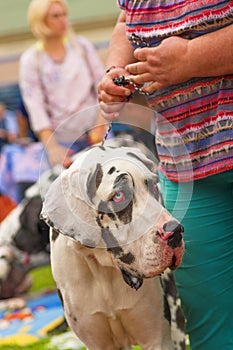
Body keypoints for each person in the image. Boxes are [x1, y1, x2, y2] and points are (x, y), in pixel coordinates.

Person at [98, 2, 233, 350]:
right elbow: (127, 19)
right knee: (210, 327)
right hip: (185, 167)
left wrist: (191, 57)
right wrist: (116, 69)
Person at [19, 0, 106, 168]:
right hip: (62, 142)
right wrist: (52, 148)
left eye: (64, 14)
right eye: (55, 16)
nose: (63, 20)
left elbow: (102, 87)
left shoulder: (82, 47)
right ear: (40, 21)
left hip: (96, 132)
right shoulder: (31, 60)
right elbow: (35, 107)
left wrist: (100, 127)